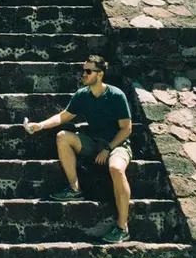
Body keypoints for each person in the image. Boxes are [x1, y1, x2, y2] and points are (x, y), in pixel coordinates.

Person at [21, 54, 133, 243]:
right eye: (83, 71)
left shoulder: (115, 95)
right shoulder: (82, 95)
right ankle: (75, 189)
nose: (84, 74)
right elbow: (63, 117)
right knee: (62, 137)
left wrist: (108, 148)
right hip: (93, 143)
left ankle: (122, 227)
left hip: (117, 145)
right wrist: (39, 125)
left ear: (100, 74)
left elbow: (126, 129)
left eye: (88, 71)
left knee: (116, 168)